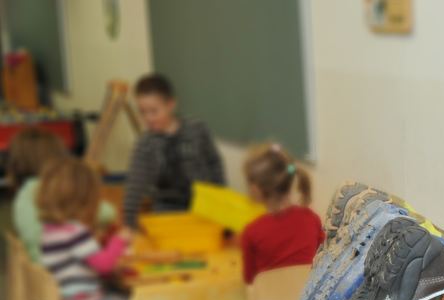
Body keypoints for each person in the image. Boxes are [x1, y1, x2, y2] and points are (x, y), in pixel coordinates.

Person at [37, 158, 132, 300]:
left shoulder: (49, 230)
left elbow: (83, 264)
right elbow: (105, 266)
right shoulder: (75, 232)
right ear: (86, 200)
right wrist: (119, 240)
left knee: (116, 297)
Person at [123, 73, 225, 227]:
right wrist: (129, 224)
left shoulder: (197, 129)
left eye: (154, 111)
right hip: (166, 210)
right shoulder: (145, 144)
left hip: (203, 207)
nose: (148, 118)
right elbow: (134, 186)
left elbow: (214, 164)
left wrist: (220, 200)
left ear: (171, 104)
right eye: (142, 112)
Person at [9, 128, 118, 261]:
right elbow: (107, 212)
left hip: (39, 270)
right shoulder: (50, 188)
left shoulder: (23, 193)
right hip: (62, 269)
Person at [240, 143, 323, 284]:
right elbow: (322, 256)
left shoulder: (252, 232)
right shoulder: (311, 218)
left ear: (255, 189)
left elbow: (249, 280)